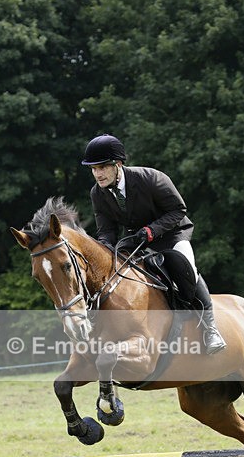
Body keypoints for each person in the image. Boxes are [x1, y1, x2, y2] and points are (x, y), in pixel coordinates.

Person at [81, 133, 226, 355]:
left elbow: (178, 210)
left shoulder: (150, 178)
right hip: (135, 240)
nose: (97, 174)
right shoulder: (97, 193)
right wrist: (102, 253)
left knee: (186, 267)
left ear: (117, 164)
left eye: (102, 167)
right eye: (93, 169)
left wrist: (151, 231)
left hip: (172, 234)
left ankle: (211, 328)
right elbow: (106, 231)